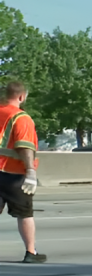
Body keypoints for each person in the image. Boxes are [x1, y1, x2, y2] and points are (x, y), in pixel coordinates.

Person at [0, 82, 46, 262]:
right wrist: (30, 172)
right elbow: (25, 147)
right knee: (24, 213)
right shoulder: (21, 118)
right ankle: (31, 252)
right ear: (21, 97)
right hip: (14, 174)